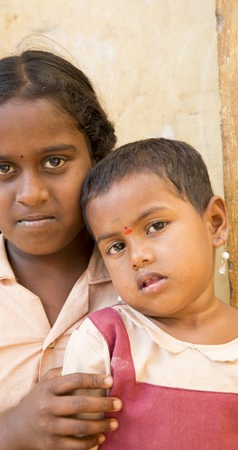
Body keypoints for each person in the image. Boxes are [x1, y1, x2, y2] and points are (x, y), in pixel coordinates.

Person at [0, 49, 124, 449]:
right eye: (3, 168)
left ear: (97, 159)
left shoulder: (144, 283)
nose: (31, 194)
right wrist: (15, 430)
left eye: (55, 161)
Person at [63, 138, 238, 449]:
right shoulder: (106, 341)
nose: (137, 256)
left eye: (156, 226)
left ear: (215, 223)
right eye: (116, 247)